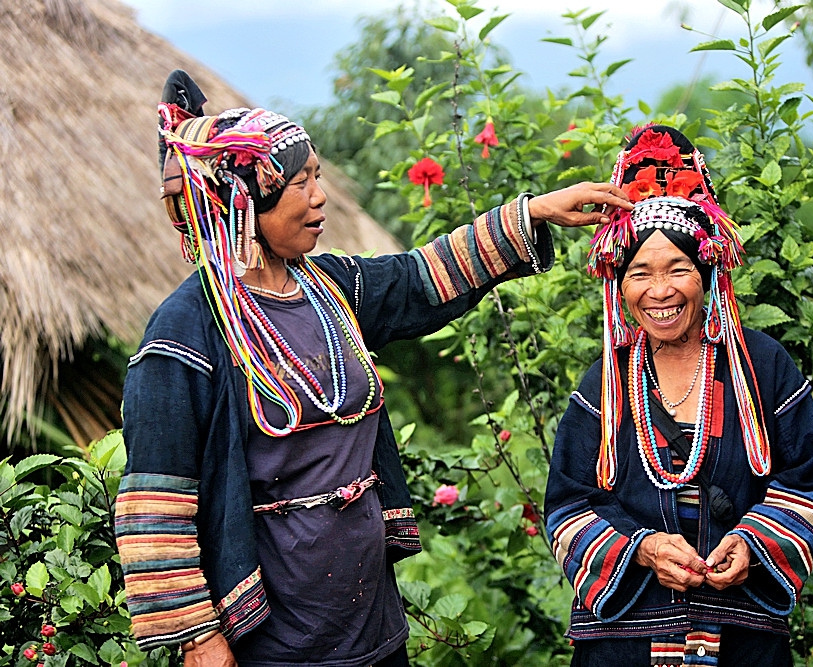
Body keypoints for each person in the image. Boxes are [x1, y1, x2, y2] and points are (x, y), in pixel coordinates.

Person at [113, 70, 632, 667]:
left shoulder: (328, 285)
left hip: (368, 622)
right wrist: (201, 643)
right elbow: (155, 504)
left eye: (317, 177)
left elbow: (419, 278)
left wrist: (535, 211)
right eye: (299, 182)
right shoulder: (185, 333)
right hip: (275, 641)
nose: (320, 196)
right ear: (242, 200)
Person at [543, 125, 813, 666]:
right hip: (622, 646)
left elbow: (807, 480)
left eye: (679, 269)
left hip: (742, 644)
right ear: (618, 284)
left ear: (707, 275)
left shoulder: (764, 367)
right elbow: (566, 507)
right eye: (640, 274)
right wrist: (642, 550)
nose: (660, 291)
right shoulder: (601, 385)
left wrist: (756, 543)